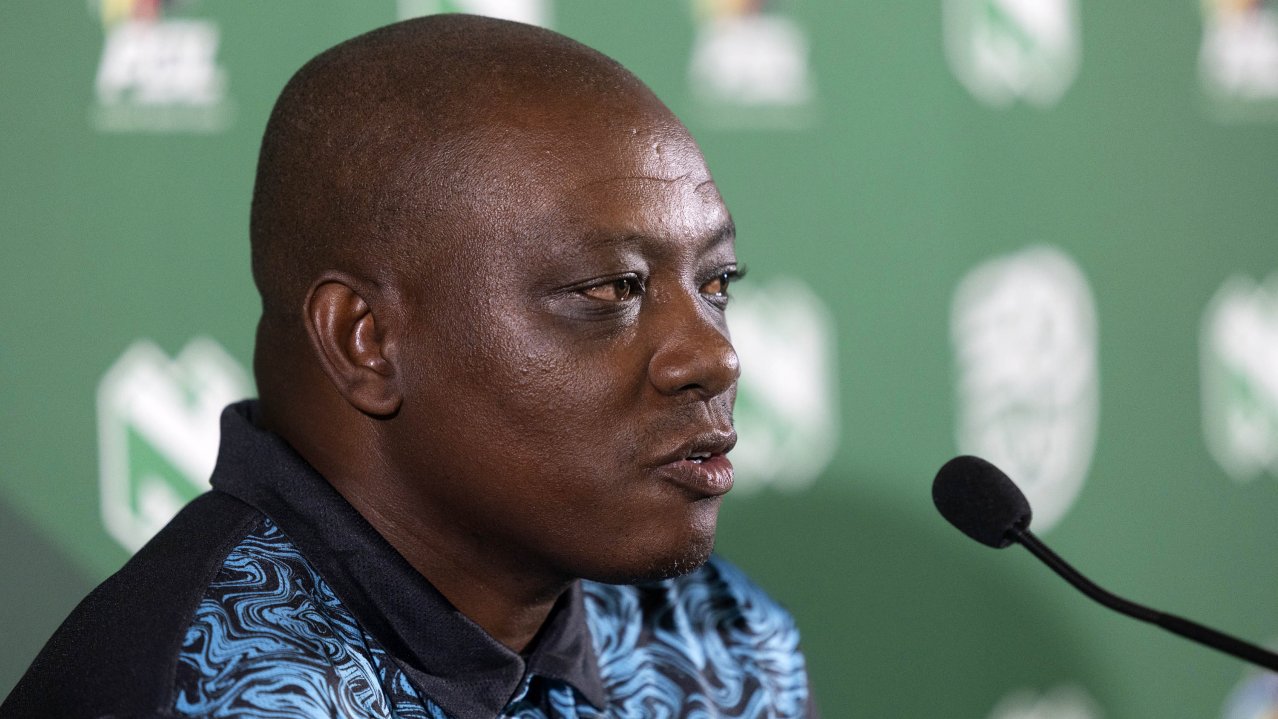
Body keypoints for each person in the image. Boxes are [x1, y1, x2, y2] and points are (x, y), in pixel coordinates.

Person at [2, 14, 814, 719]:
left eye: (716, 283)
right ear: (366, 341)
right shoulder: (217, 688)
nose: (715, 354)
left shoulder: (722, 638)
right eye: (611, 289)